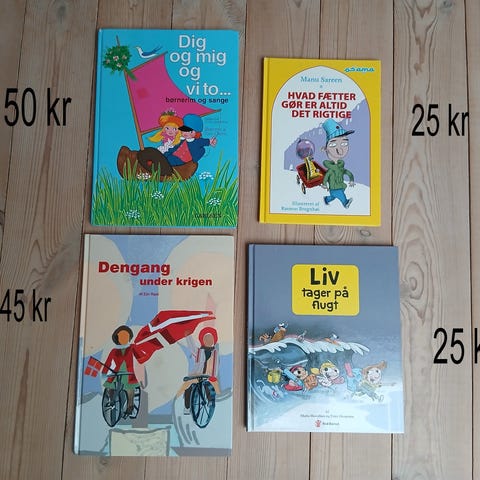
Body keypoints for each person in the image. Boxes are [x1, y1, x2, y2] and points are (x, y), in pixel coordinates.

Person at [176, 326, 220, 415]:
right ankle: (187, 406)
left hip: (208, 376)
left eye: (210, 338)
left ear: (214, 340)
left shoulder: (215, 353)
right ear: (202, 340)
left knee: (209, 387)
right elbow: (191, 346)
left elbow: (215, 365)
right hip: (196, 375)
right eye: (206, 338)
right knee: (188, 387)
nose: (208, 340)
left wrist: (213, 376)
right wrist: (188, 335)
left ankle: (210, 402)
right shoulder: (199, 352)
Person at [102, 325, 142, 415]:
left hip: (129, 373)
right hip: (116, 373)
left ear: (129, 337)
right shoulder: (114, 351)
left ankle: (130, 407)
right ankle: (112, 401)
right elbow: (108, 363)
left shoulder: (132, 348)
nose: (124, 338)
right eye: (121, 336)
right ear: (117, 338)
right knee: (110, 387)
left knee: (130, 389)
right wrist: (104, 372)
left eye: (126, 336)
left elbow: (140, 357)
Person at [320, 119, 355, 208]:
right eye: (333, 145)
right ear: (325, 148)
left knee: (333, 197)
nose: (340, 150)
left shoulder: (340, 167)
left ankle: (327, 199)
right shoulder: (331, 170)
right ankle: (345, 203)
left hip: (340, 186)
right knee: (340, 194)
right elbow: (326, 176)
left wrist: (351, 179)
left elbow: (347, 172)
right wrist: (324, 184)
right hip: (334, 187)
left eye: (344, 143)